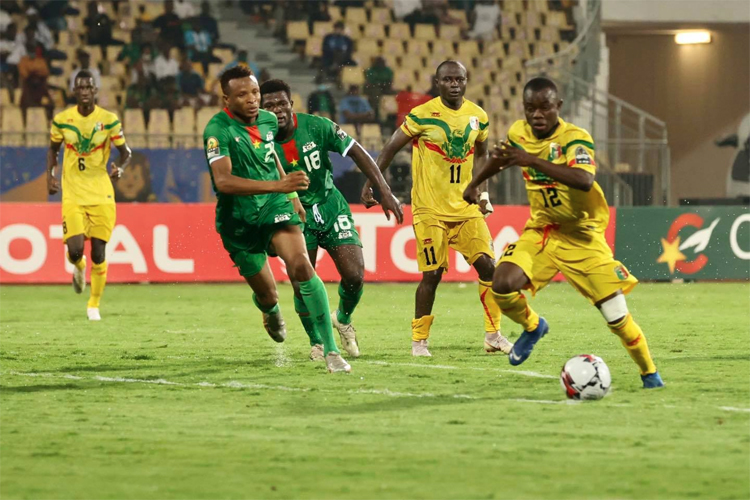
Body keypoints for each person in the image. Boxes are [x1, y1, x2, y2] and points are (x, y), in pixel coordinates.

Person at [463, 76, 664, 389]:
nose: (537, 114)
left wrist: (531, 160)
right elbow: (501, 157)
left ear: (558, 106)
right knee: (501, 284)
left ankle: (649, 373)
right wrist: (474, 184)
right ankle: (533, 327)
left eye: (544, 107)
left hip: (582, 235)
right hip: (542, 230)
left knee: (616, 316)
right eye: (530, 108)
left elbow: (584, 180)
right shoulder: (519, 132)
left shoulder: (575, 139)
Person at [202, 65, 351, 373]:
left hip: (274, 206)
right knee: (268, 294)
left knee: (301, 266)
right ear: (226, 99)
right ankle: (269, 309)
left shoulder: (268, 121)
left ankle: (331, 351)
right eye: (242, 95)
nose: (252, 99)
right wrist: (279, 186)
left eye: (255, 92)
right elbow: (223, 182)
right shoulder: (217, 131)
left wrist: (290, 194)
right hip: (238, 220)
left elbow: (270, 156)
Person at [361, 60, 510, 357]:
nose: (454, 84)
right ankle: (419, 341)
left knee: (490, 268)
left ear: (466, 81)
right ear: (437, 82)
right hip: (430, 209)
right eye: (448, 79)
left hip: (466, 208)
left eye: (459, 79)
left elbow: (482, 155)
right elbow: (390, 148)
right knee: (432, 275)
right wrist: (371, 183)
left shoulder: (478, 116)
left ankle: (493, 335)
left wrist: (482, 192)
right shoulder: (421, 115)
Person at [260, 78, 403, 361]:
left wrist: (384, 190)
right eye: (269, 105)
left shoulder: (317, 126)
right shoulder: (259, 142)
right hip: (293, 214)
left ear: (291, 104)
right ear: (262, 110)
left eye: (281, 103)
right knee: (301, 281)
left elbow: (357, 151)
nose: (277, 109)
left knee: (355, 275)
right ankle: (316, 341)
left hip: (330, 205)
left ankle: (343, 318)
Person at [46, 70, 132, 321]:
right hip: (73, 193)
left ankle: (93, 305)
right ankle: (79, 266)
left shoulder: (109, 120)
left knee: (98, 253)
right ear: (74, 91)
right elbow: (52, 150)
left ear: (95, 91)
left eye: (88, 87)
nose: (84, 91)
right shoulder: (62, 120)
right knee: (75, 251)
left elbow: (125, 152)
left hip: (101, 193)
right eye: (80, 87)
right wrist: (50, 175)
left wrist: (120, 168)